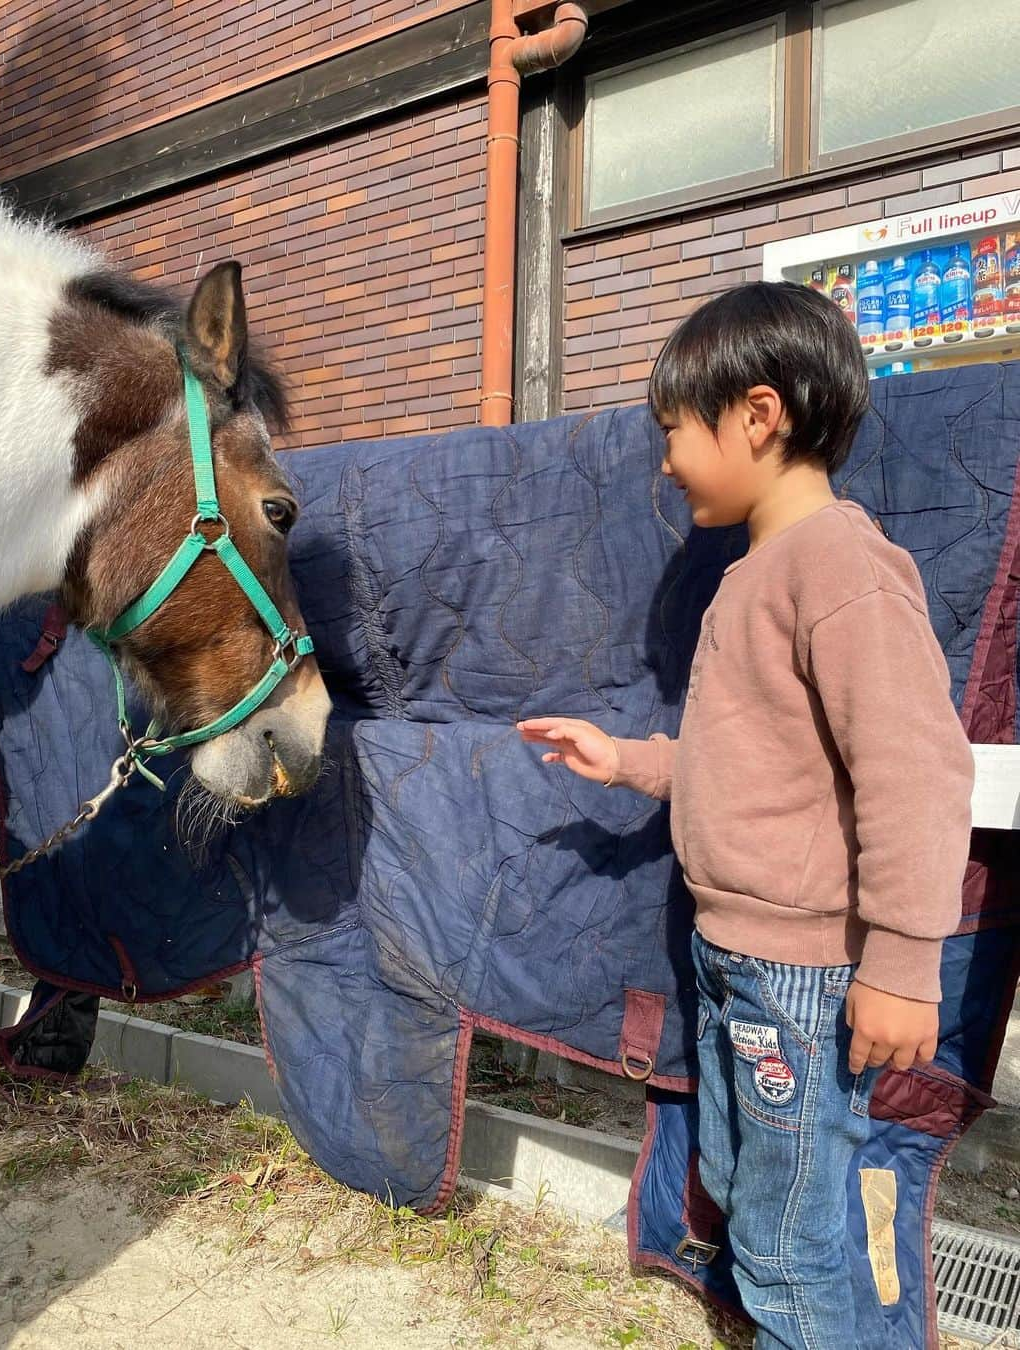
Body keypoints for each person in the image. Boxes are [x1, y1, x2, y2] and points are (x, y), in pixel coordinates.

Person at [518, 281, 973, 1349]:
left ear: (757, 416)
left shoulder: (844, 569)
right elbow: (741, 763)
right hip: (735, 962)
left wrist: (905, 964)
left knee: (787, 1233)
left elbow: (917, 773)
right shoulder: (755, 575)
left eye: (674, 431)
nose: (666, 461)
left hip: (805, 977)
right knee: (739, 1177)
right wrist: (626, 759)